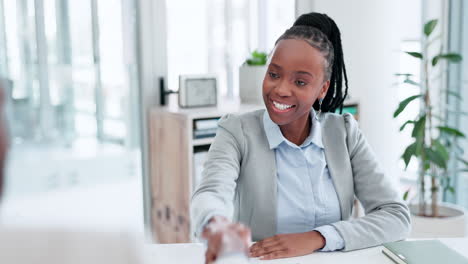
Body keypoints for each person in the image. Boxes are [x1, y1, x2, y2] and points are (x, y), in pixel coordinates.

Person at [191, 12, 411, 263]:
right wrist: (217, 225)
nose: (281, 90)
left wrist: (317, 237)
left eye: (300, 81)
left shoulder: (344, 133)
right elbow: (210, 192)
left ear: (323, 89)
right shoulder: (237, 131)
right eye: (274, 74)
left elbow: (396, 215)